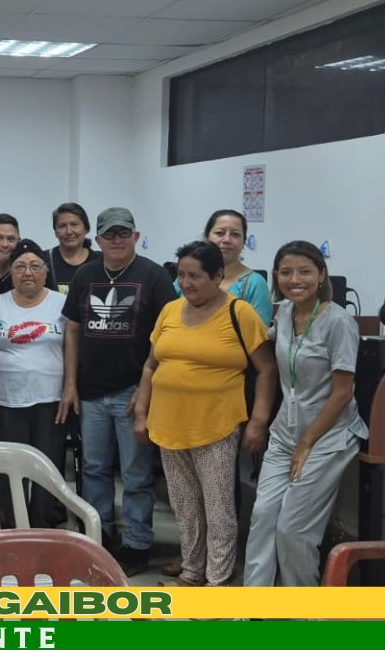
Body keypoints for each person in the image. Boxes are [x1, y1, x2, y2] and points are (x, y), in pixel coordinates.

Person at [133, 241, 276, 587]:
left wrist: (258, 421)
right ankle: (192, 572)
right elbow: (151, 366)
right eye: (181, 275)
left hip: (216, 425)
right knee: (184, 506)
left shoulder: (239, 312)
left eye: (195, 276)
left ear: (217, 276)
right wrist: (141, 412)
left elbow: (267, 370)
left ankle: (217, 579)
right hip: (168, 424)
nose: (186, 283)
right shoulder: (170, 311)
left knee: (218, 508)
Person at [59, 206, 177, 577]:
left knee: (136, 474)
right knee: (93, 469)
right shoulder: (85, 275)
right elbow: (73, 330)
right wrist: (71, 384)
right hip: (91, 392)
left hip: (132, 392)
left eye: (124, 233)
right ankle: (100, 536)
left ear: (136, 236)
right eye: (109, 234)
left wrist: (146, 390)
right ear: (97, 239)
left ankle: (138, 544)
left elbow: (167, 334)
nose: (117, 240)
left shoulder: (154, 276)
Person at [244, 241, 368, 587]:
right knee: (263, 515)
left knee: (293, 529)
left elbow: (342, 393)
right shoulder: (283, 313)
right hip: (286, 434)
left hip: (326, 437)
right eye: (286, 272)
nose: (294, 279)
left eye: (304, 271)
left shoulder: (339, 322)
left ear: (321, 275)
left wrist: (307, 443)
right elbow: (266, 343)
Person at [0, 239, 67, 527]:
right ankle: (12, 526)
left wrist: (71, 389)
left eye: (35, 266)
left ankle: (43, 525)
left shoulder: (61, 303)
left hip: (51, 398)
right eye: (20, 267)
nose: (28, 272)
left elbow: (73, 349)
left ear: (46, 272)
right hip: (8, 399)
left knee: (47, 464)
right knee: (10, 465)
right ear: (11, 273)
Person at [201, 209, 272, 324]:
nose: (227, 240)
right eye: (220, 233)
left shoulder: (254, 284)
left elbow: (259, 331)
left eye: (235, 234)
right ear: (206, 238)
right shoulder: (188, 277)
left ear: (244, 242)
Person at [48, 202, 99, 294]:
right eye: (62, 226)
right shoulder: (44, 260)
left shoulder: (101, 261)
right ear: (55, 232)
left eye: (74, 225)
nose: (69, 232)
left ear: (86, 228)